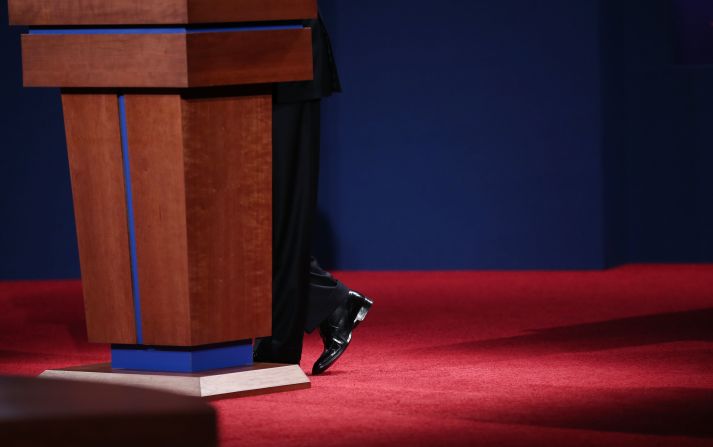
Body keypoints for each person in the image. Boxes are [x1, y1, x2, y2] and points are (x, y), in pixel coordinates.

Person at [253, 12, 373, 375]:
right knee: (247, 208)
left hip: (283, 49)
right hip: (221, 51)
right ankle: (330, 302)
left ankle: (290, 331)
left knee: (275, 205)